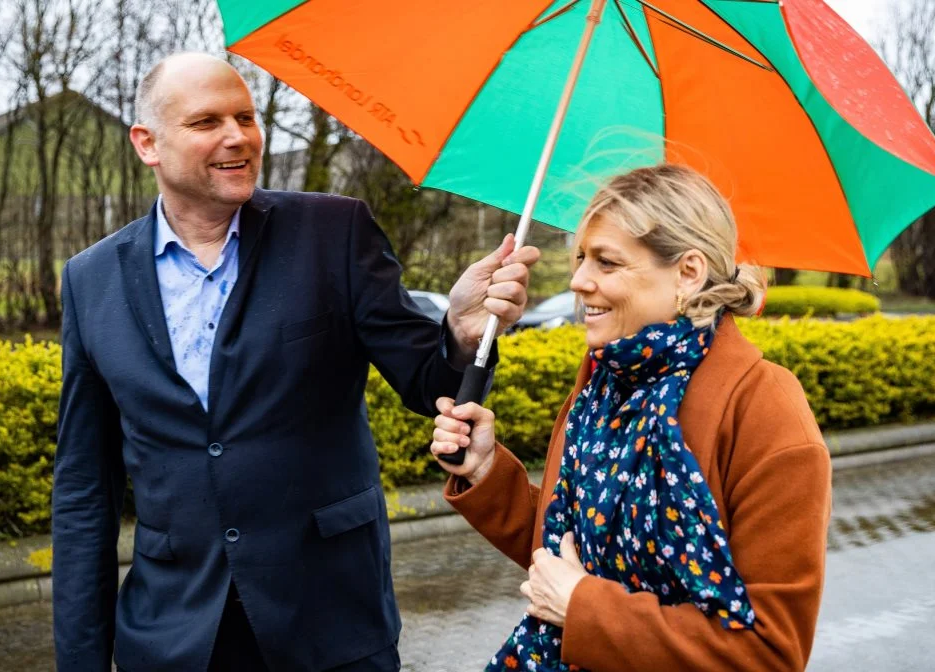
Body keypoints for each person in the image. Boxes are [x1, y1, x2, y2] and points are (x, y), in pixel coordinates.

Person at [52, 52, 539, 672]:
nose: (238, 137)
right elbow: (83, 490)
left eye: (246, 117)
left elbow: (428, 383)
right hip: (173, 636)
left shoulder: (335, 232)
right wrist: (82, 658)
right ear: (147, 143)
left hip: (330, 621)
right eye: (206, 122)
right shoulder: (91, 279)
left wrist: (465, 334)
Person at [431, 164, 832, 671]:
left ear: (688, 272)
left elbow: (769, 654)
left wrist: (583, 608)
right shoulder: (605, 382)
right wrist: (486, 471)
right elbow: (571, 549)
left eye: (607, 262)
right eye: (581, 258)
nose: (578, 281)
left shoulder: (763, 409)